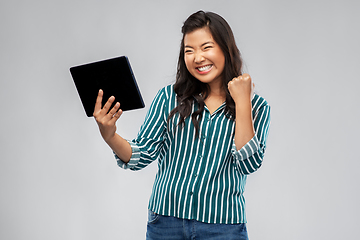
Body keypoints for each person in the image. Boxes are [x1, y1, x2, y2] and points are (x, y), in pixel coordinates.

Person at [93, 10, 270, 240]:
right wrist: (110, 135)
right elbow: (142, 154)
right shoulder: (169, 98)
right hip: (166, 223)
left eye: (206, 47)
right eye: (189, 50)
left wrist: (243, 102)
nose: (197, 58)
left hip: (223, 226)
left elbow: (249, 163)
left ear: (226, 49)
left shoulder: (257, 107)